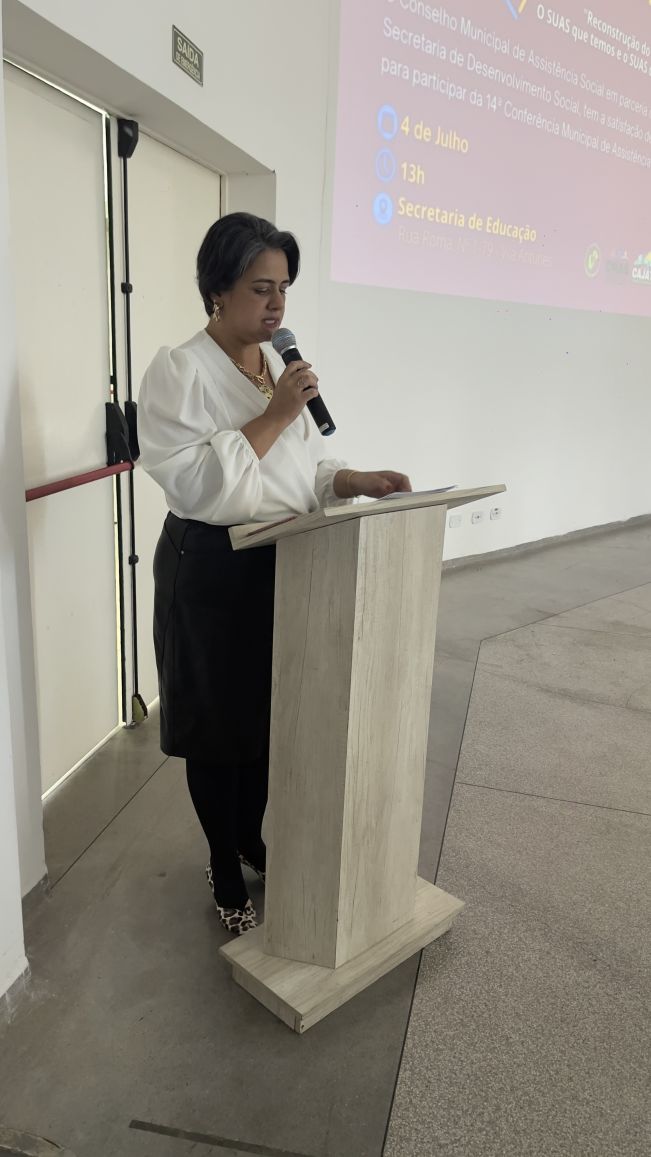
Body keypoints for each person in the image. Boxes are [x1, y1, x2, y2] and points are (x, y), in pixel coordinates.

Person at [137, 212, 411, 935]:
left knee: (264, 723)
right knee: (215, 730)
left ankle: (249, 838)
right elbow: (199, 485)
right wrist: (277, 414)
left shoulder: (275, 368)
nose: (277, 305)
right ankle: (222, 864)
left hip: (279, 561)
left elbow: (300, 471)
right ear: (217, 290)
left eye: (283, 288)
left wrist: (351, 479)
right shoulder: (180, 370)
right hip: (210, 570)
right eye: (261, 288)